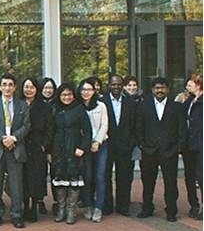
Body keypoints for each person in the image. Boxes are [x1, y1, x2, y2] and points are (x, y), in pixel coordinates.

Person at [135, 77, 187, 222]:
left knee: (170, 183)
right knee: (148, 182)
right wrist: (142, 145)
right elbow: (139, 127)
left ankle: (171, 210)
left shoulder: (176, 107)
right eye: (157, 88)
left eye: (163, 87)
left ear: (168, 89)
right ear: (152, 90)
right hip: (149, 151)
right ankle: (147, 208)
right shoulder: (144, 106)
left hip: (169, 151)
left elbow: (182, 129)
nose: (160, 90)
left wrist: (178, 148)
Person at [0, 73, 30, 229]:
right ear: (0, 87)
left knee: (16, 184)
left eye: (10, 84)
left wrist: (14, 139)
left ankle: (17, 214)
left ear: (15, 87)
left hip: (16, 148)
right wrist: (3, 138)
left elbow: (26, 125)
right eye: (4, 84)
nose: (7, 87)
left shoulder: (22, 105)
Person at [50, 83, 92, 224]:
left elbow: (88, 132)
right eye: (63, 95)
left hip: (74, 147)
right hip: (58, 148)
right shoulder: (55, 108)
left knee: (74, 180)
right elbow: (51, 131)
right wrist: (50, 151)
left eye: (69, 94)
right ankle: (61, 209)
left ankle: (71, 210)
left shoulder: (79, 110)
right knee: (60, 179)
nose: (66, 97)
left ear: (73, 95)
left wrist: (82, 147)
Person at [102, 75, 137, 217]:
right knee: (105, 176)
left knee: (125, 177)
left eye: (118, 85)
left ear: (122, 86)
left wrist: (131, 143)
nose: (116, 87)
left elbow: (135, 125)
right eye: (113, 84)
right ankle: (107, 205)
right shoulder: (102, 102)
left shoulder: (131, 102)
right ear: (109, 85)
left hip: (125, 146)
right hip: (107, 146)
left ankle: (123, 206)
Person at [20, 77, 54, 222]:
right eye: (26, 87)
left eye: (32, 87)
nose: (29, 90)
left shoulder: (44, 107)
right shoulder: (17, 105)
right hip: (20, 146)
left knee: (35, 179)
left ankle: (33, 207)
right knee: (22, 179)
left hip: (37, 147)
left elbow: (50, 129)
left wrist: (44, 145)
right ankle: (24, 207)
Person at [77, 78, 109, 223]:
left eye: (89, 89)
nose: (86, 92)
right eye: (83, 90)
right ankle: (87, 204)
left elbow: (104, 125)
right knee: (87, 176)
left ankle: (99, 207)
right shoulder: (77, 107)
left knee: (100, 176)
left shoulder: (101, 106)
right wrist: (86, 144)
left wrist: (97, 141)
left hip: (101, 144)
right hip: (84, 147)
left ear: (94, 91)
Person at [183, 73, 203, 220]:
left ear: (198, 85)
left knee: (201, 176)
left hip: (200, 144)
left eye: (190, 84)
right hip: (188, 145)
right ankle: (194, 205)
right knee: (189, 176)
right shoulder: (189, 101)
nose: (187, 87)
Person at [40, 77, 58, 214]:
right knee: (40, 174)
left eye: (50, 88)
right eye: (45, 87)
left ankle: (57, 201)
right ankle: (40, 200)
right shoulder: (37, 104)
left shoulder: (58, 104)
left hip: (56, 145)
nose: (48, 90)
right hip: (40, 145)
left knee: (55, 173)